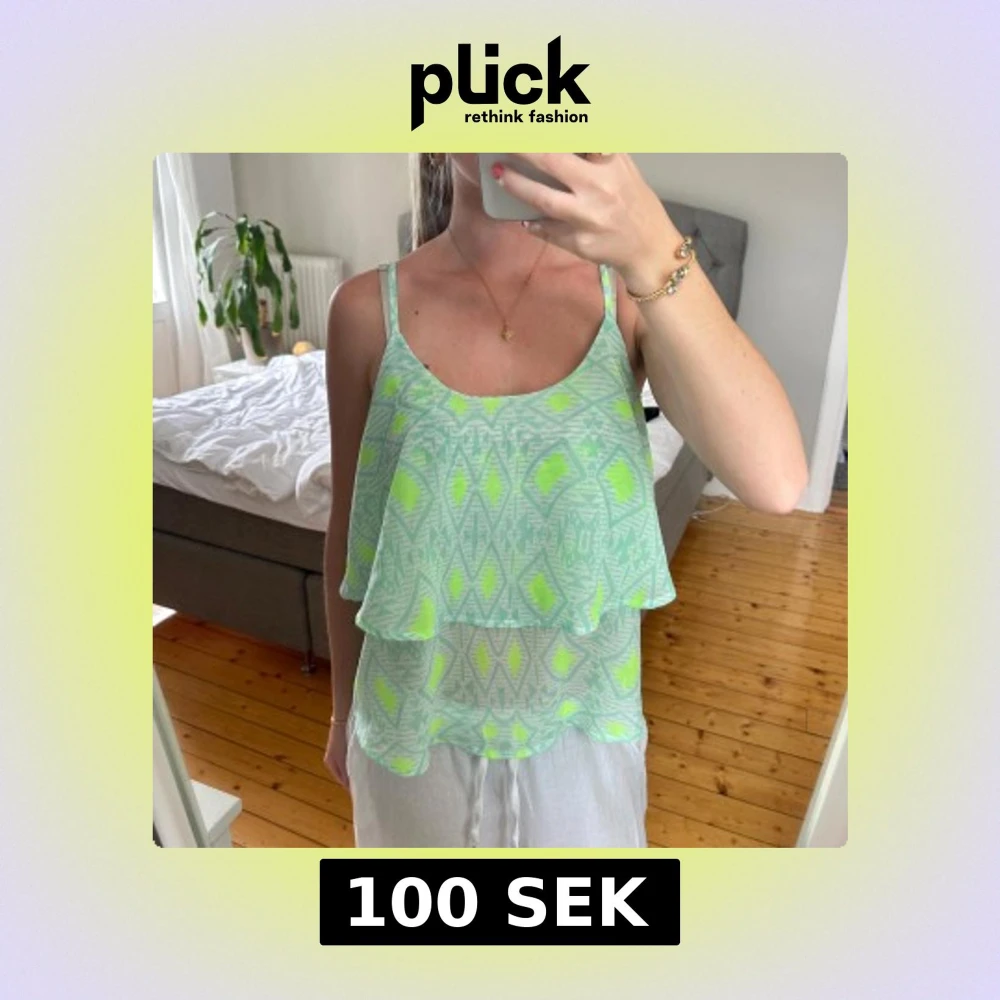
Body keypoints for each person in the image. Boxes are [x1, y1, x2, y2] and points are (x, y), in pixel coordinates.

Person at [321, 153, 807, 848]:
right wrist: (342, 712)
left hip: (586, 737)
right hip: (409, 737)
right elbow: (351, 535)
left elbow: (777, 480)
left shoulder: (627, 299)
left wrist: (650, 243)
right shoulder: (365, 311)